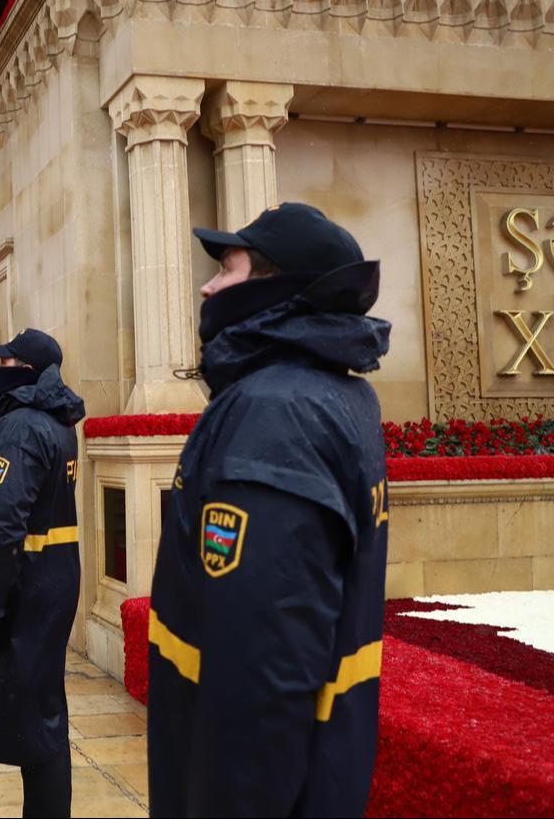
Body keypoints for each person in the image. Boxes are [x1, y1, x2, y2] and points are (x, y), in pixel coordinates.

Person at [147, 203, 392, 816]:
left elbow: (259, 684)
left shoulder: (275, 415)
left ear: (272, 285)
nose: (207, 286)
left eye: (225, 270)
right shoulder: (336, 393)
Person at [0, 328, 85, 818]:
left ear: (28, 371)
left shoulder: (21, 429)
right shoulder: (57, 423)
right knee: (44, 715)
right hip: (50, 588)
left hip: (24, 597)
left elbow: (0, 527)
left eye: (6, 363)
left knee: (39, 728)